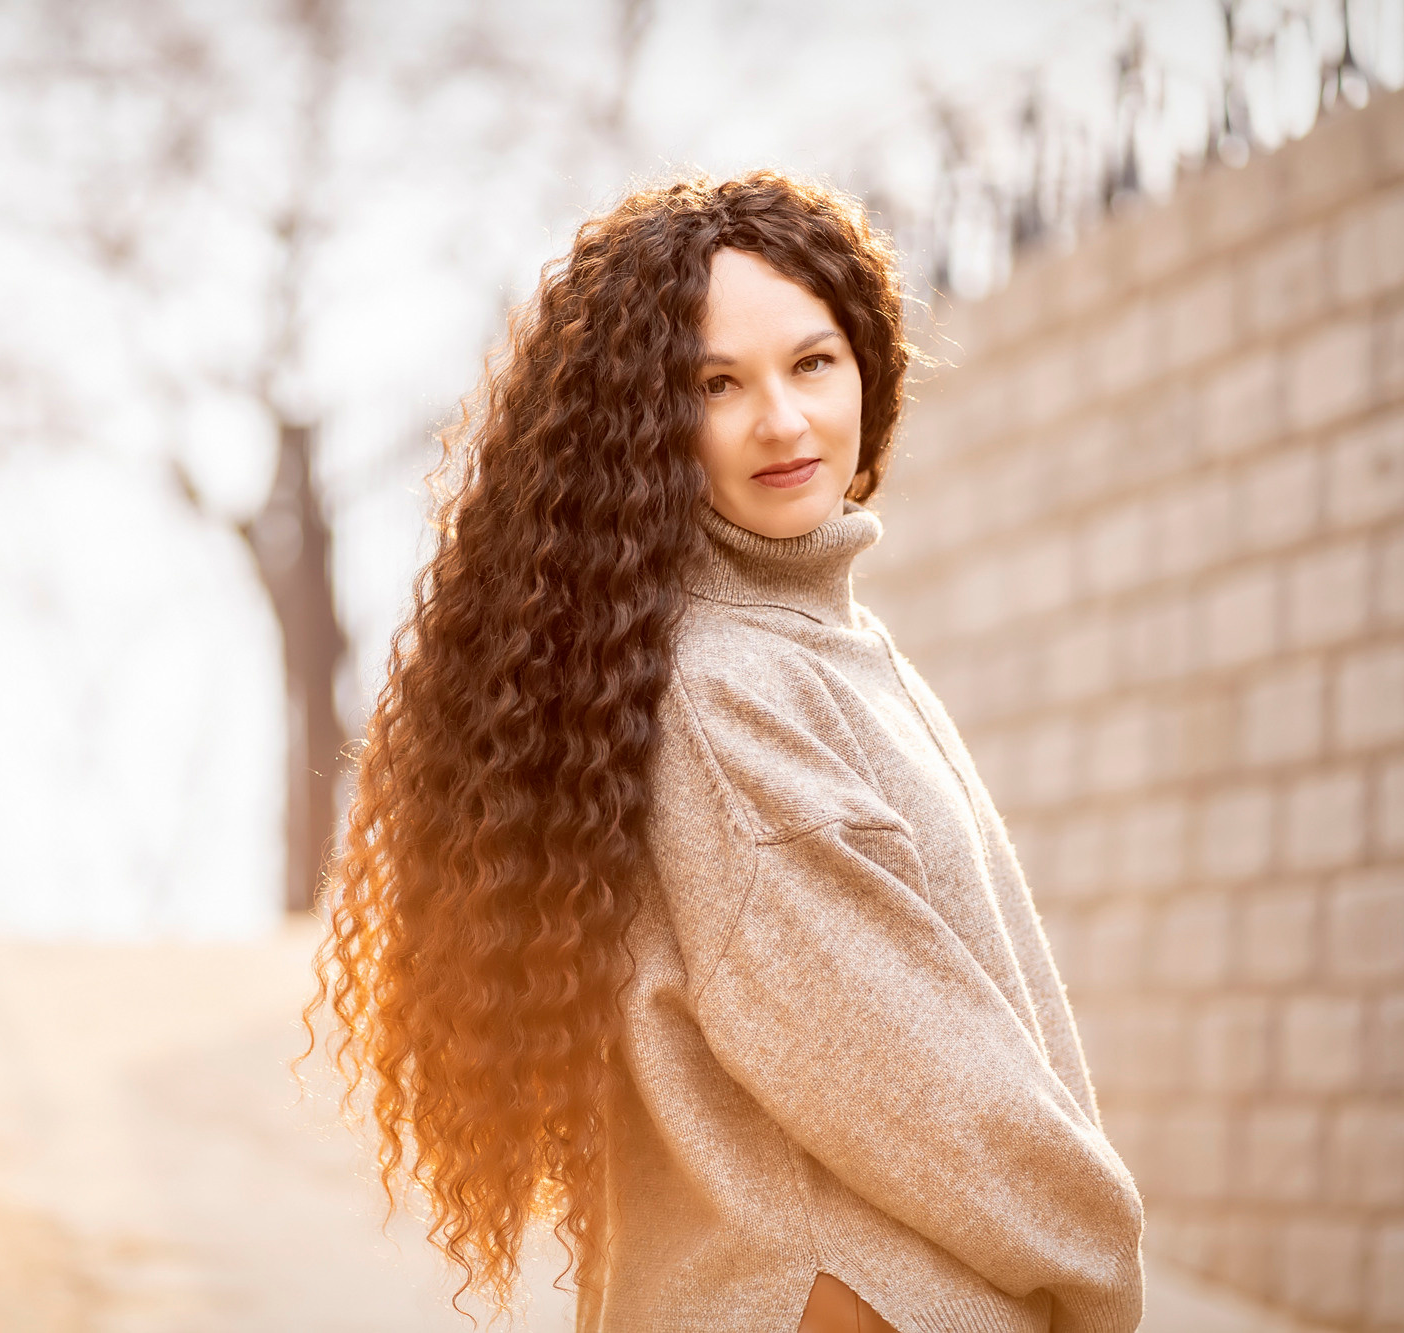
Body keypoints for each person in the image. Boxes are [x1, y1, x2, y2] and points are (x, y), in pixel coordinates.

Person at [309, 171, 1144, 1333]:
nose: (782, 421)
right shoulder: (726, 691)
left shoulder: (799, 644)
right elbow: (892, 1064)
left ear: (868, 367)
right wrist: (1095, 1262)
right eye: (715, 384)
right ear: (646, 424)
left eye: (811, 362)